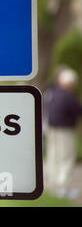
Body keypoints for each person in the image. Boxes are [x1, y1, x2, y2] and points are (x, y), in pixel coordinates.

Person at [44, 67, 82, 198]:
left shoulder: (52, 93)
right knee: (66, 157)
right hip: (65, 130)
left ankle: (53, 184)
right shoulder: (68, 95)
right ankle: (62, 186)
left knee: (53, 156)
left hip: (51, 128)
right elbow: (78, 110)